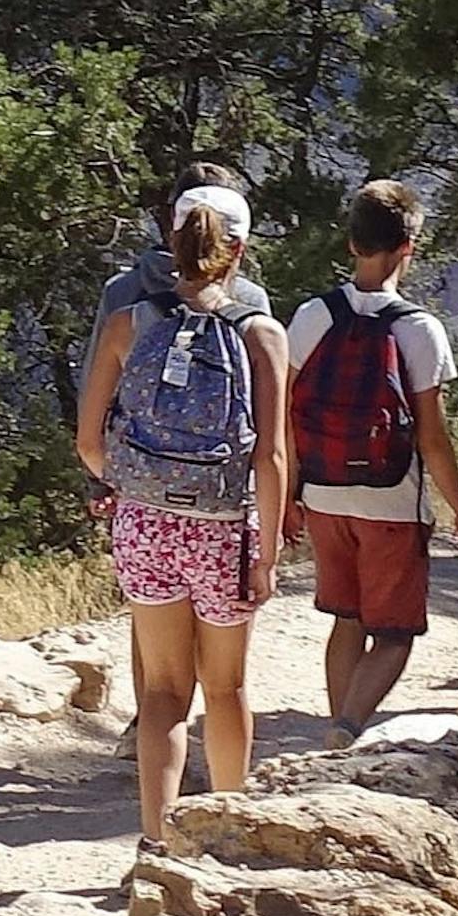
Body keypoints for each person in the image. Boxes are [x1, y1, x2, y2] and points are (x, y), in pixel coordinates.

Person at [78, 185, 288, 850]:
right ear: (240, 250)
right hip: (223, 527)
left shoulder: (127, 323)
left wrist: (133, 486)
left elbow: (88, 442)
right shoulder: (261, 334)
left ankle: (156, 841)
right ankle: (227, 833)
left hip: (143, 523)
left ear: (171, 242)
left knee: (165, 691)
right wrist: (269, 554)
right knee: (224, 689)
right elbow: (274, 456)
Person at [284, 180, 458, 747]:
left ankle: (336, 730)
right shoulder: (419, 329)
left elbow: (287, 416)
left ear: (352, 244)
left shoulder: (311, 317)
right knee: (394, 635)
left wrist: (290, 496)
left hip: (323, 493)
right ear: (409, 249)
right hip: (392, 499)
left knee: (346, 620)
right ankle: (347, 729)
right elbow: (433, 438)